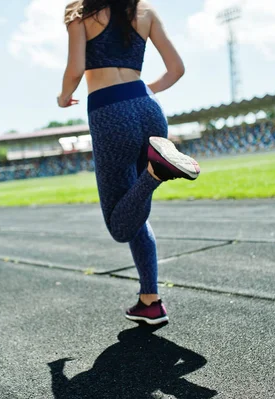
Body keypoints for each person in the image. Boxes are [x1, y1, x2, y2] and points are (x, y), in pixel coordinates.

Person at [58, 0, 200, 325]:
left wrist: (64, 96)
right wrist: (142, 93)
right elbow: (176, 69)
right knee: (134, 209)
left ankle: (155, 172)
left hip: (109, 111)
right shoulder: (144, 10)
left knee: (119, 224)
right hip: (149, 107)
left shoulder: (79, 12)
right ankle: (150, 301)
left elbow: (75, 70)